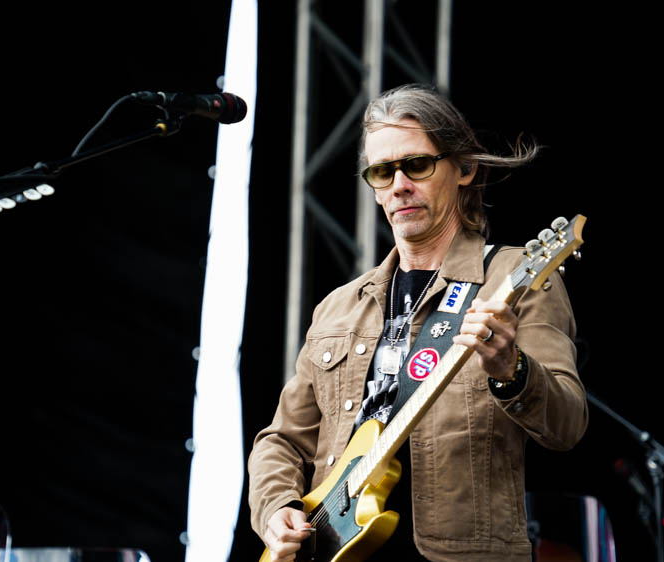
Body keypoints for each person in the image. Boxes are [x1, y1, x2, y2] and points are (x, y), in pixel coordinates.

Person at [248, 83, 588, 561]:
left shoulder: (512, 279)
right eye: (382, 172)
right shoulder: (339, 306)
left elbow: (568, 424)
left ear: (464, 168)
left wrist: (512, 370)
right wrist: (277, 508)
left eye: (417, 165)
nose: (399, 184)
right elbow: (281, 440)